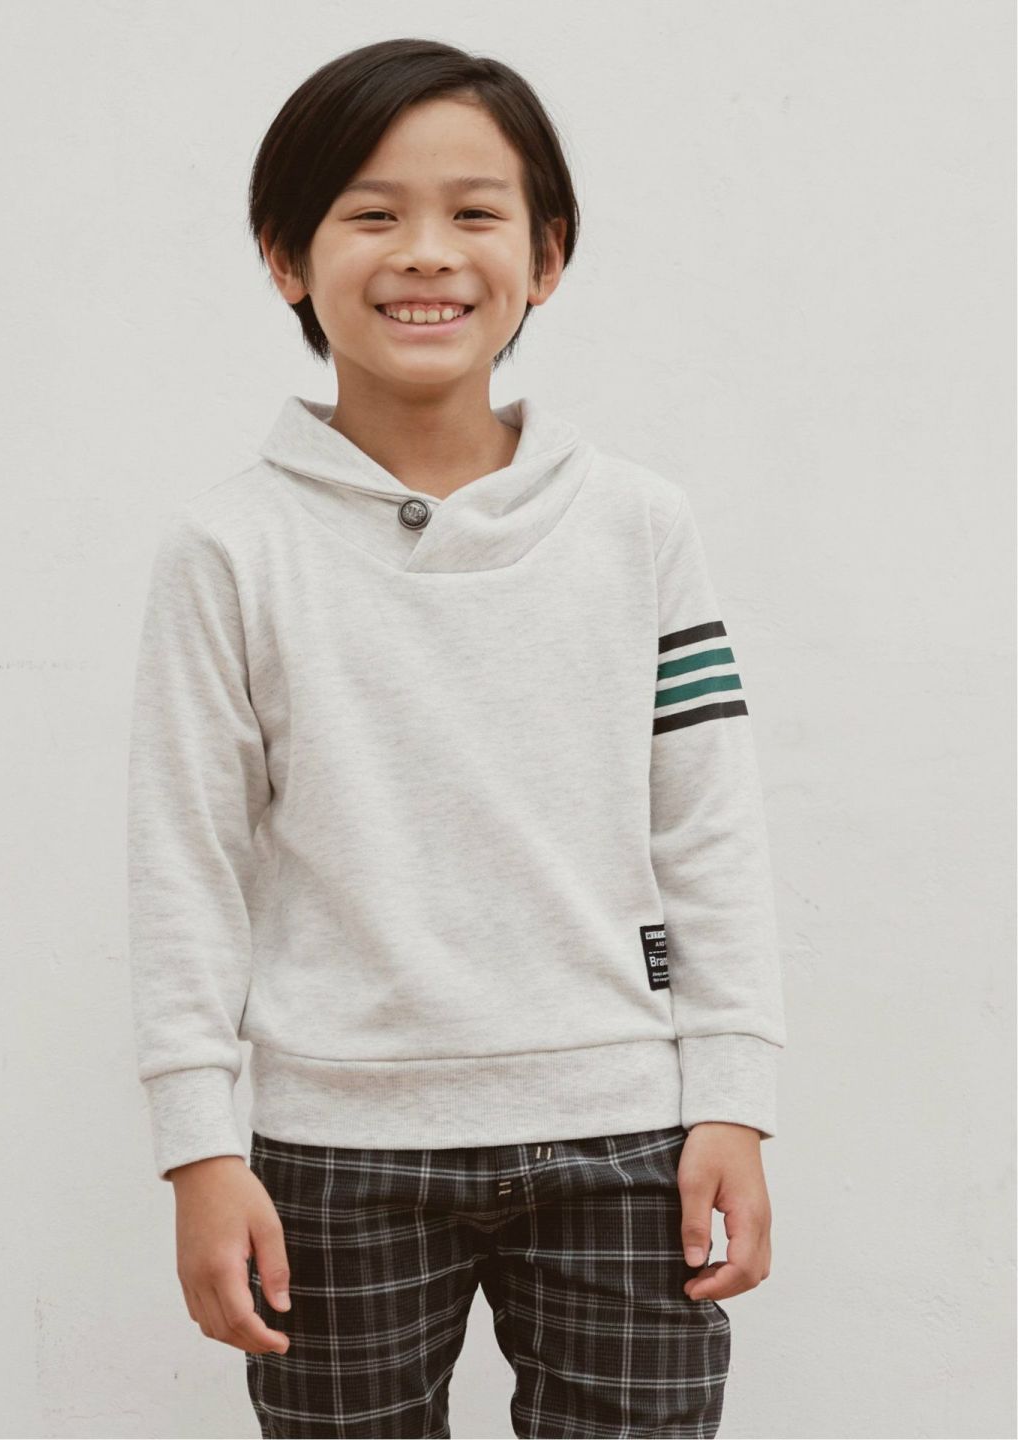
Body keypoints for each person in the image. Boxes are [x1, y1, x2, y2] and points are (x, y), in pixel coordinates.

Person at [126, 36, 787, 1440]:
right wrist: (198, 1147)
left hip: (627, 1138)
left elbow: (707, 823)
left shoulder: (639, 527)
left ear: (546, 256)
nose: (426, 251)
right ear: (285, 255)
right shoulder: (228, 548)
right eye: (372, 212)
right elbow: (187, 859)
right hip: (334, 1152)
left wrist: (734, 1097)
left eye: (474, 212)